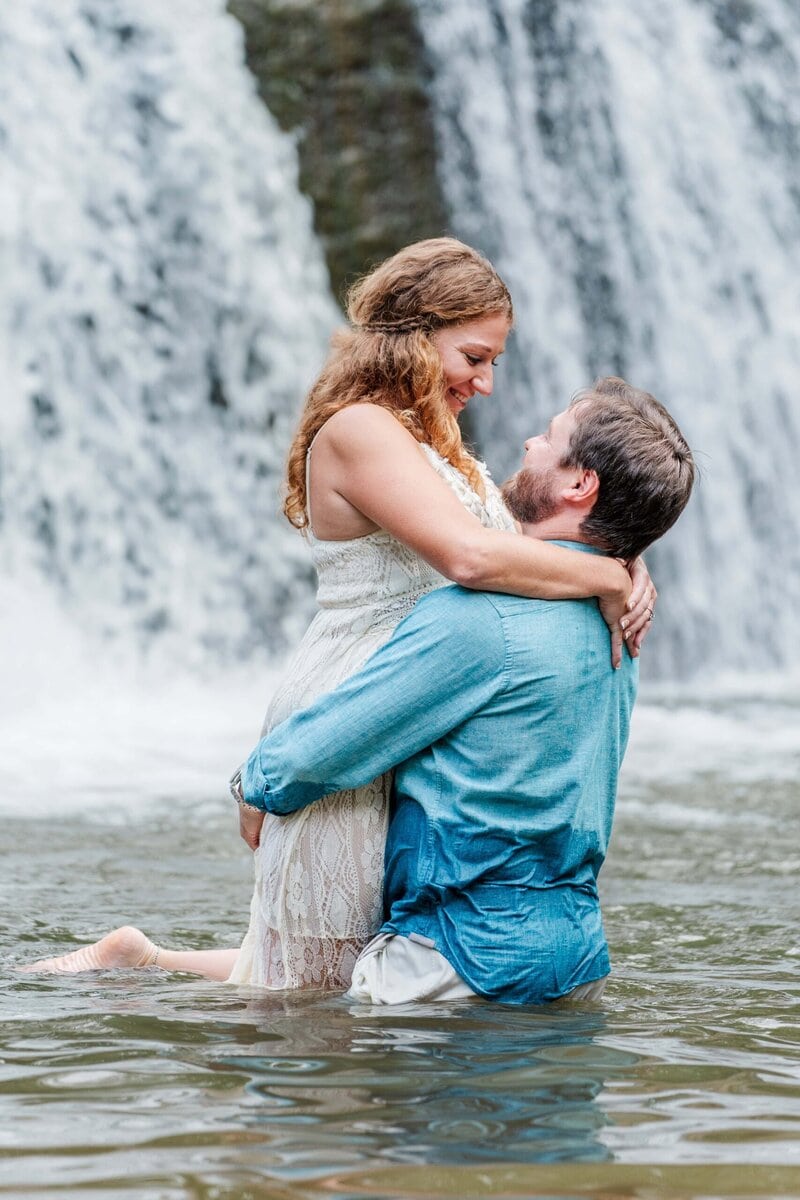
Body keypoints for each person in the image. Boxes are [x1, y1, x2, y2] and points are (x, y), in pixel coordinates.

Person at [21, 243, 656, 984]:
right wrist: (611, 579)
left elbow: (529, 541)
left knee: (351, 969)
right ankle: (140, 982)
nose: (486, 383)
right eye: (475, 357)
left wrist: (631, 563)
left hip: (425, 705)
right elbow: (471, 559)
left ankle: (141, 960)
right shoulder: (361, 430)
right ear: (418, 336)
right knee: (311, 994)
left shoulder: (435, 442)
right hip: (354, 704)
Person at [234, 378, 694, 1004]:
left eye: (549, 437)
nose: (529, 441)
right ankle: (142, 957)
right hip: (575, 959)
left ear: (579, 484)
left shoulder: (479, 619)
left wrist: (255, 782)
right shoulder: (619, 624)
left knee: (284, 1035)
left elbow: (339, 739)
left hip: (456, 959)